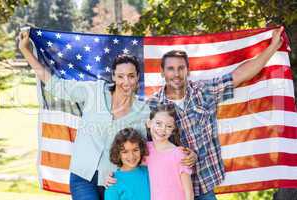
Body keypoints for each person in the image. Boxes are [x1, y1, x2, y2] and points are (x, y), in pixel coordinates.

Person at [18, 30, 197, 200]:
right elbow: (55, 85)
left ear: (137, 78)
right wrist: (25, 50)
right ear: (113, 76)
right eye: (120, 76)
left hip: (113, 180)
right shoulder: (93, 91)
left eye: (131, 76)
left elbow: (158, 142)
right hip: (82, 176)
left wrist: (188, 155)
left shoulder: (143, 111)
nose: (126, 82)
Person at [147, 27, 284, 200]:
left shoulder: (203, 91)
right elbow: (144, 149)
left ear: (188, 70)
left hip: (205, 184)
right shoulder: (152, 105)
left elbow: (239, 75)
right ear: (162, 71)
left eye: (181, 68)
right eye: (170, 69)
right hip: (171, 190)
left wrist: (272, 47)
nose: (176, 74)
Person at [145, 104, 194, 200]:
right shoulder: (146, 149)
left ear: (173, 129)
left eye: (168, 126)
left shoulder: (179, 154)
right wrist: (111, 177)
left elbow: (189, 192)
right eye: (158, 123)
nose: (162, 129)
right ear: (149, 123)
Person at [105, 128, 150, 200]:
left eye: (135, 150)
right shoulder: (113, 181)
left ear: (141, 149)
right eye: (125, 152)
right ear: (118, 153)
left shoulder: (148, 172)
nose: (131, 156)